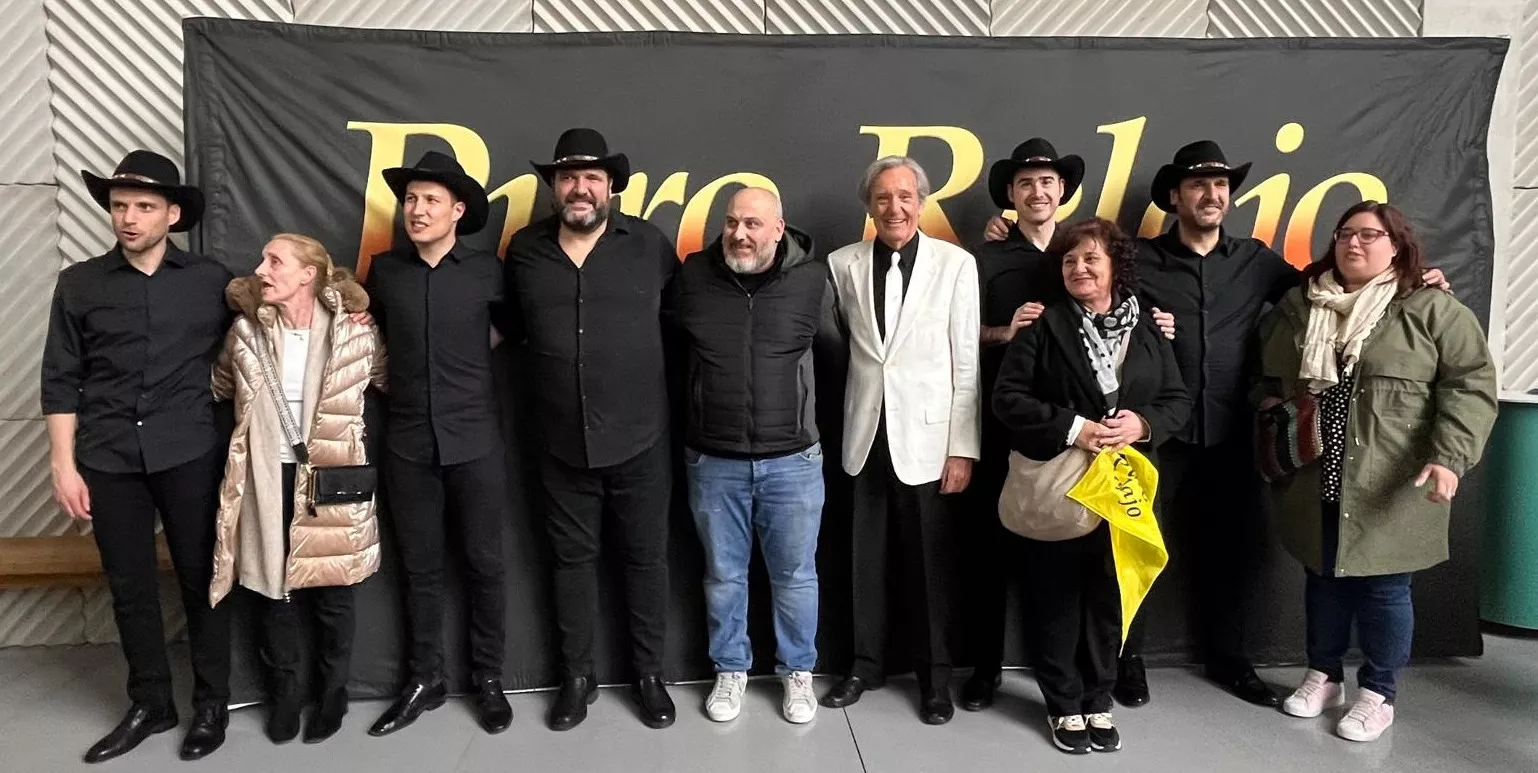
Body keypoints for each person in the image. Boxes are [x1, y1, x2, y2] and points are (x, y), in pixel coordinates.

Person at [980, 140, 1442, 709]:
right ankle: (1126, 662)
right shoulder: (1139, 259)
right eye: (1198, 184)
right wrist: (1006, 233)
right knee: (1131, 552)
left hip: (1228, 432)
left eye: (1220, 184)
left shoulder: (1256, 260)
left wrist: (1412, 275)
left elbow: (1326, 285)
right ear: (1175, 196)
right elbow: (1082, 291)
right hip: (1152, 440)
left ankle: (1230, 660)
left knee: (1232, 553)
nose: (1211, 194)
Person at [1254, 201, 1496, 743]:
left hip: (1393, 477)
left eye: (1369, 235)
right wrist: (1271, 413)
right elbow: (1265, 376)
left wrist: (1450, 456)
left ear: (1397, 247)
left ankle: (1379, 692)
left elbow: (1471, 385)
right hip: (1315, 473)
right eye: (1345, 234)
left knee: (1386, 587)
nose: (1354, 243)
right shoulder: (1300, 307)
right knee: (1323, 577)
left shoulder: (1432, 309)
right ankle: (1324, 675)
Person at [42, 150, 234, 763]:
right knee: (129, 586)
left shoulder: (211, 280)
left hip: (188, 451)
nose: (128, 217)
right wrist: (62, 465)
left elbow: (273, 323)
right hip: (108, 456)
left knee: (203, 580)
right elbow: (60, 379)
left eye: (145, 206)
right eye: (120, 205)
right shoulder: (80, 283)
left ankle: (212, 703)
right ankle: (152, 703)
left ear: (172, 215)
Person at [992, 217, 1190, 754]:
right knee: (1054, 599)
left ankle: (1099, 697)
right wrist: (1074, 428)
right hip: (1060, 487)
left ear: (1115, 267)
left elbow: (1177, 399)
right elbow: (1008, 398)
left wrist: (1142, 425)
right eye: (1069, 260)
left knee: (1110, 598)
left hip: (1124, 490)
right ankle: (1062, 704)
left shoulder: (1148, 328)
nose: (1079, 268)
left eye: (1090, 258)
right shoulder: (1043, 326)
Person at [502, 128, 678, 731]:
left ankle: (649, 675)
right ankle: (577, 678)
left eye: (592, 178)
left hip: (642, 437)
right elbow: (505, 326)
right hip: (558, 441)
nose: (580, 188)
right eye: (569, 177)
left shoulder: (649, 245)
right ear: (554, 187)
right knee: (570, 564)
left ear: (611, 188)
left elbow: (683, 317)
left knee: (646, 561)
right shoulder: (525, 250)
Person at [207, 234, 386, 745]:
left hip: (332, 478)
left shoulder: (354, 332)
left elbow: (389, 378)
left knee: (333, 593)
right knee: (273, 591)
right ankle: (285, 695)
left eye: (274, 261)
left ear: (309, 274)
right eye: (262, 259)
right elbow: (219, 386)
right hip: (266, 478)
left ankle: (333, 694)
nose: (261, 269)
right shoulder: (245, 332)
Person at [820, 156, 980, 725]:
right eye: (883, 197)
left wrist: (963, 447)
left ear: (921, 202)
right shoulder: (841, 264)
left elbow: (967, 361)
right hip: (864, 436)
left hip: (931, 443)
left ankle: (935, 680)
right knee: (862, 563)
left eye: (905, 196)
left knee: (929, 569)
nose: (895, 208)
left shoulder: (956, 265)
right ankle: (864, 666)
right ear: (869, 205)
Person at [673, 187, 840, 724]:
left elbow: (837, 355)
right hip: (713, 461)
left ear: (778, 229)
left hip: (793, 461)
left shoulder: (812, 281)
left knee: (795, 575)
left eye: (752, 224)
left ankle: (798, 671)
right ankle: (730, 669)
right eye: (731, 223)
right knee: (724, 575)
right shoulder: (693, 277)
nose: (739, 234)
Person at [364, 151, 512, 737]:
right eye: (410, 199)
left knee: (485, 564)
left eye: (430, 200)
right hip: (407, 444)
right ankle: (425, 679)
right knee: (419, 569)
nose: (417, 210)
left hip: (475, 440)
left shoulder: (486, 272)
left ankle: (489, 679)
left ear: (457, 211)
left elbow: (507, 333)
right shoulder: (385, 273)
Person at [960, 138, 1085, 711]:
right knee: (989, 555)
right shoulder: (982, 260)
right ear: (1011, 193)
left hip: (1071, 432)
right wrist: (1003, 333)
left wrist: (1159, 321)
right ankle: (985, 669)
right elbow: (956, 335)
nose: (1038, 191)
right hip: (1000, 425)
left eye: (1047, 182)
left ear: (1062, 191)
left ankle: (1077, 669)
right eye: (1026, 183)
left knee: (1071, 557)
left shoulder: (1083, 252)